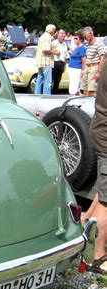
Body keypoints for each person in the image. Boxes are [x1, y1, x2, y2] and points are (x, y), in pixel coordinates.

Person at [82, 63, 107, 274]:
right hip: (106, 135)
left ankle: (84, 221)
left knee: (104, 189)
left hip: (101, 129)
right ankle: (96, 257)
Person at [80, 26, 105, 97]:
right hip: (87, 67)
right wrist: (83, 70)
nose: (85, 38)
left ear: (90, 34)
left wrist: (99, 72)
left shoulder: (99, 43)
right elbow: (86, 58)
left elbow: (102, 58)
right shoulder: (87, 44)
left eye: (86, 36)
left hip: (94, 67)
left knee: (92, 91)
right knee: (83, 90)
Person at [34, 24, 58, 95]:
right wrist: (55, 52)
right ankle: (47, 96)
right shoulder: (48, 37)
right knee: (47, 81)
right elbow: (45, 50)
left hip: (40, 62)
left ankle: (36, 95)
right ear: (52, 31)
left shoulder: (42, 36)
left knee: (39, 80)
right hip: (46, 61)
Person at [51, 29, 68, 94]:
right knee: (52, 79)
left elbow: (65, 55)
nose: (63, 38)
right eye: (61, 36)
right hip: (54, 62)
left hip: (61, 62)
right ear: (58, 36)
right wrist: (55, 52)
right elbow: (50, 52)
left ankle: (55, 92)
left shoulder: (64, 44)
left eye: (64, 36)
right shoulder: (54, 43)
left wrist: (64, 65)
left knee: (58, 80)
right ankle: (49, 93)